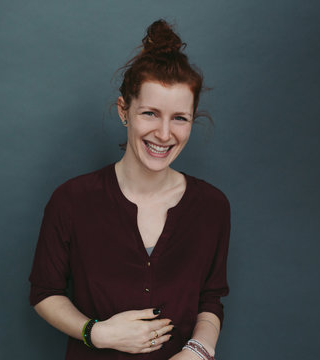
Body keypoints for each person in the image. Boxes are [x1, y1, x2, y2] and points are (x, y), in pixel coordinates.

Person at [29, 19, 230, 360]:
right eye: (150, 113)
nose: (165, 134)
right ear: (125, 110)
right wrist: (97, 332)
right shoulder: (72, 200)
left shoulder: (212, 206)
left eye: (179, 118)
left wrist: (198, 349)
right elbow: (44, 292)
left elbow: (210, 299)